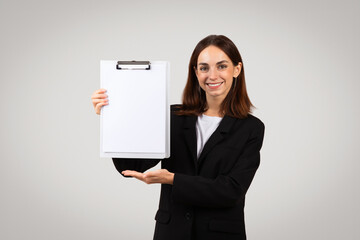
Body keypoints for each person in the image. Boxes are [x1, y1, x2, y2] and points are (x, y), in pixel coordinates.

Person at [91, 35, 265, 240]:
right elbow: (130, 166)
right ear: (195, 72)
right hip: (171, 233)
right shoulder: (172, 117)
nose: (212, 75)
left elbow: (231, 191)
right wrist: (115, 120)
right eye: (204, 68)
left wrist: (173, 179)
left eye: (221, 66)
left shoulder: (251, 128)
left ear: (237, 69)